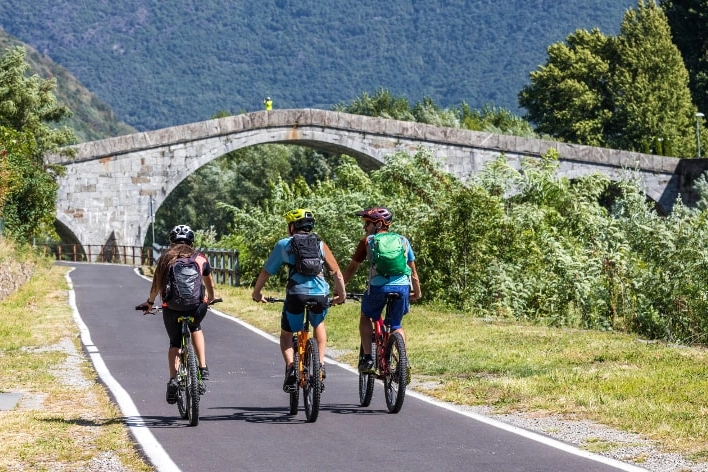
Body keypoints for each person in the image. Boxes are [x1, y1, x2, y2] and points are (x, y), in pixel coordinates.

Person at [252, 209, 346, 392]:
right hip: (320, 294)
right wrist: (341, 295)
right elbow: (336, 271)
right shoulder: (320, 244)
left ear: (292, 226)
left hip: (296, 294)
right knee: (318, 323)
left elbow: (266, 272)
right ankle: (319, 364)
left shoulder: (284, 245)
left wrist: (257, 293)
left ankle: (291, 368)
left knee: (287, 334)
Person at [137, 224, 216, 404]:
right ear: (191, 242)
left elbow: (156, 285)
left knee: (174, 342)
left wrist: (150, 303)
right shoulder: (200, 258)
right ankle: (202, 368)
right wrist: (211, 298)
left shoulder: (166, 258)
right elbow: (208, 280)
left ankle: (173, 379)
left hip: (172, 307)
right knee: (196, 327)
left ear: (172, 241)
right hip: (196, 307)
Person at [342, 207, 422, 374]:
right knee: (396, 325)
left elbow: (351, 268)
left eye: (367, 223)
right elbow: (413, 272)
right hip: (402, 287)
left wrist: (339, 289)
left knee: (365, 316)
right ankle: (403, 361)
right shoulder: (403, 241)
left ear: (378, 224)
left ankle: (368, 358)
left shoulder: (368, 241)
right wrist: (417, 293)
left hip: (378, 287)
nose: (365, 227)